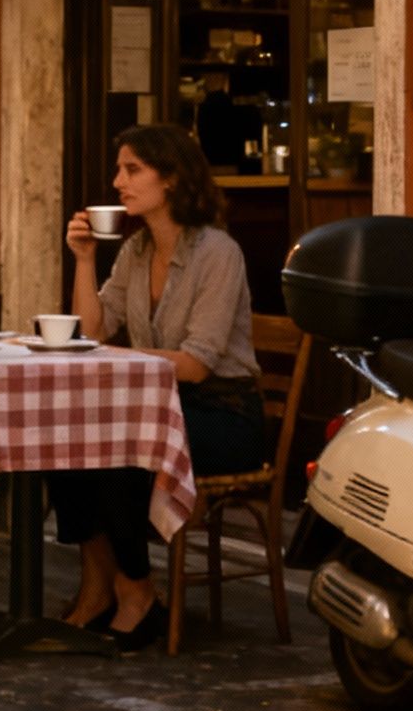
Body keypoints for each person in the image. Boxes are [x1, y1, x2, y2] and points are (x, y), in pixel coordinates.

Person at [48, 123, 266, 648]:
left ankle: (139, 592)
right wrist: (83, 259)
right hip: (157, 406)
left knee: (123, 446)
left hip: (223, 415)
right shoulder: (136, 251)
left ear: (169, 180)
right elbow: (94, 330)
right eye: (119, 169)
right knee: (62, 436)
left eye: (132, 170)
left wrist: (116, 357)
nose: (117, 180)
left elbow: (195, 366)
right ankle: (102, 585)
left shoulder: (218, 253)